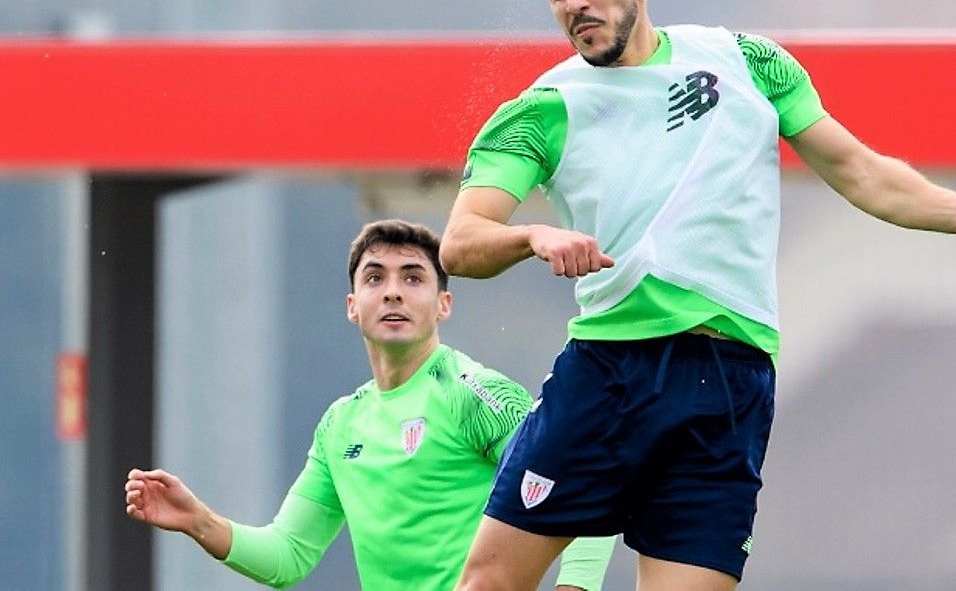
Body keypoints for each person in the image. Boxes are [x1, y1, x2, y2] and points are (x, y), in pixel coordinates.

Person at [438, 0, 956, 591]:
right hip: (609, 375)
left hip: (730, 388)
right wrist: (532, 233)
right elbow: (462, 242)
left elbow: (857, 169)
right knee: (488, 585)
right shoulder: (541, 110)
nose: (575, 3)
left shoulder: (746, 63)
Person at [124, 219, 614, 591]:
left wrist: (575, 587)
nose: (394, 291)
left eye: (414, 278)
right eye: (375, 278)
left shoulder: (475, 393)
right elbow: (288, 554)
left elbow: (587, 488)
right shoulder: (340, 424)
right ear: (353, 305)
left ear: (443, 303)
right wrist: (198, 521)